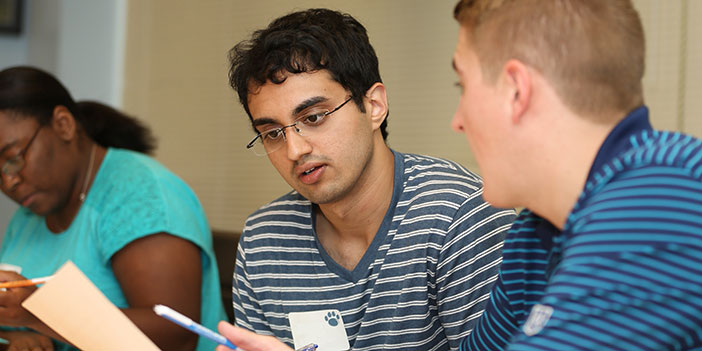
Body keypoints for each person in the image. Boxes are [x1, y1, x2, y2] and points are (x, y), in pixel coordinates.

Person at [218, 8, 516, 351]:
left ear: (374, 105)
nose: (294, 149)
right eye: (272, 133)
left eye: (314, 117)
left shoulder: (457, 215)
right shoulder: (264, 240)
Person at [450, 0, 702, 350]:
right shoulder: (534, 235)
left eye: (461, 86)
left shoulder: (660, 207)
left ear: (516, 91)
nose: (458, 121)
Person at [0, 66, 226, 351]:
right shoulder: (30, 213)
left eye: (13, 158)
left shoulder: (144, 195)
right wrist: (15, 337)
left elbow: (174, 336)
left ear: (63, 124)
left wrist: (38, 314)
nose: (9, 181)